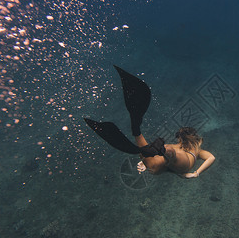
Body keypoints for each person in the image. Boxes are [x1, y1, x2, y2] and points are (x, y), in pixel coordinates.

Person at [84, 66, 215, 179]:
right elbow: (211, 158)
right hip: (178, 164)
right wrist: (195, 173)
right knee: (163, 156)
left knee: (155, 162)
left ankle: (140, 135)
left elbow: (210, 158)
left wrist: (195, 173)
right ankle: (143, 141)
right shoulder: (194, 150)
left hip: (170, 163)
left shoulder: (190, 148)